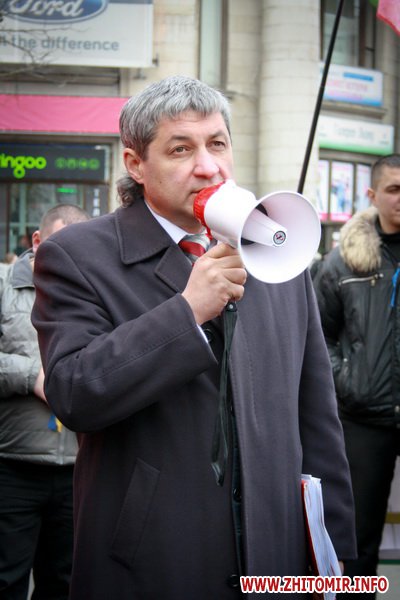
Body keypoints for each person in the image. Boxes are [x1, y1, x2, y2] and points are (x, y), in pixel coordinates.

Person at [32, 76, 356, 600]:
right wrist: (187, 312)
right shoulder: (77, 255)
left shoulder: (276, 248)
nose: (208, 166)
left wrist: (332, 544)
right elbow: (74, 393)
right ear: (136, 164)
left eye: (217, 144)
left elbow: (316, 413)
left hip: (273, 550)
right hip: (153, 556)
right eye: (181, 149)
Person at [312, 153, 400, 596]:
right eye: (394, 189)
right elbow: (317, 335)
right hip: (363, 419)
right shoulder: (343, 261)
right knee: (358, 538)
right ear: (372, 194)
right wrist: (346, 379)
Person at [0, 204, 90, 600]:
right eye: (59, 247)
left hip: (79, 469)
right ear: (37, 241)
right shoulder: (4, 286)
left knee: (64, 583)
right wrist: (31, 376)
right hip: (12, 466)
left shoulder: (94, 293)